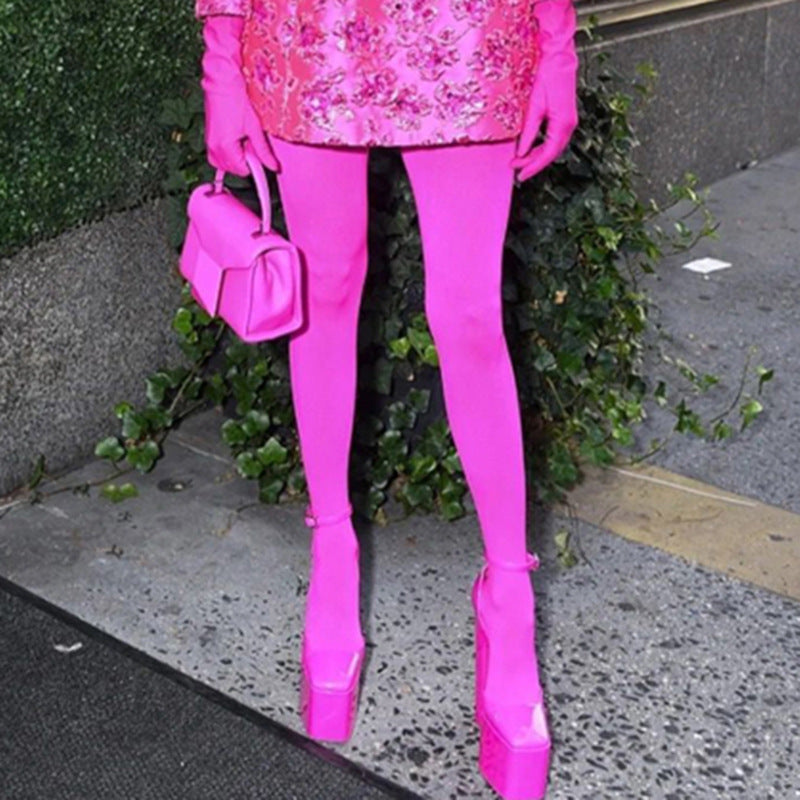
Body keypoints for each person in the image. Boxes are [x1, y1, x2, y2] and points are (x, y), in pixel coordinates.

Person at [195, 1, 579, 797]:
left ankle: (508, 599)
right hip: (312, 24)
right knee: (326, 290)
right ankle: (332, 555)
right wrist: (221, 56)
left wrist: (557, 39)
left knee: (470, 318)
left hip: (468, 28)